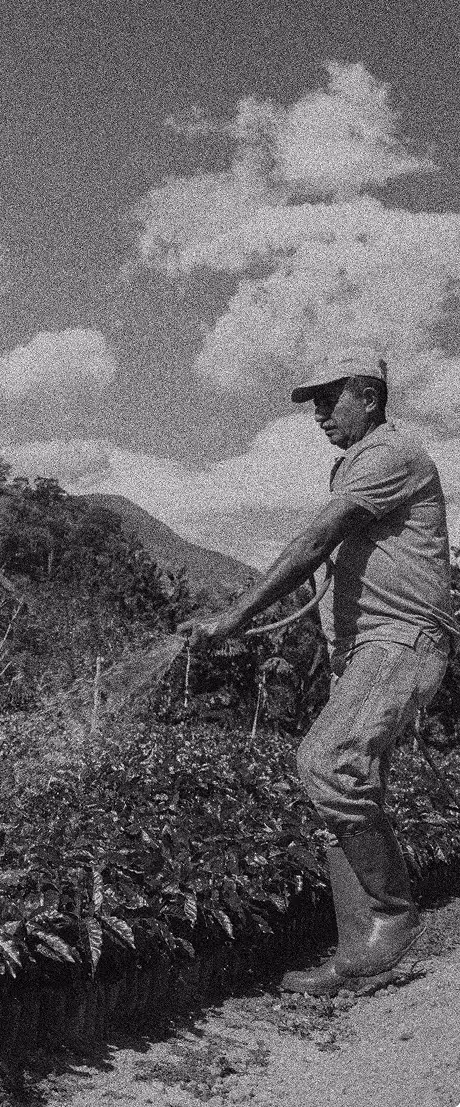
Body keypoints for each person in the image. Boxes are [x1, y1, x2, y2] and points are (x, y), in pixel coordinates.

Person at [177, 350, 454, 995]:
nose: (320, 414)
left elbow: (314, 543)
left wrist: (237, 615)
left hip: (400, 639)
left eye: (330, 399)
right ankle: (359, 956)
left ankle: (393, 916)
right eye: (315, 403)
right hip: (361, 647)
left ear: (368, 394)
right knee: (336, 788)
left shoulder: (395, 456)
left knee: (327, 763)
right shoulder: (350, 465)